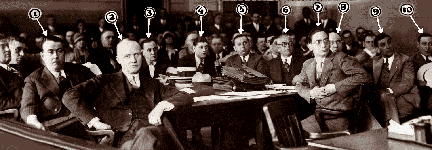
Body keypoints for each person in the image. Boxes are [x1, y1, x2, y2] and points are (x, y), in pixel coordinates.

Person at [62, 39, 192, 149]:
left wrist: (161, 106)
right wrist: (95, 123)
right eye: (127, 56)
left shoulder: (152, 83)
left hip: (154, 133)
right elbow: (69, 96)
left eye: (137, 55)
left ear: (142, 56)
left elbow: (185, 94)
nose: (133, 60)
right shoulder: (104, 81)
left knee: (147, 134)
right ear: (118, 60)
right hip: (123, 139)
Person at [292, 28, 371, 132]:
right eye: (318, 42)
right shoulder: (308, 64)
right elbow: (299, 83)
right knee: (289, 130)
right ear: (310, 46)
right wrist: (310, 93)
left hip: (339, 115)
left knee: (295, 132)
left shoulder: (340, 58)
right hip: (320, 116)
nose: (324, 45)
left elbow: (364, 76)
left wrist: (335, 87)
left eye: (326, 40)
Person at [20, 36, 95, 139]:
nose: (55, 56)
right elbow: (27, 106)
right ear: (42, 55)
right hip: (56, 130)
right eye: (50, 52)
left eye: (59, 51)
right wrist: (34, 122)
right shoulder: (33, 79)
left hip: (86, 124)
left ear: (64, 53)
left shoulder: (80, 71)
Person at [365, 33, 421, 126]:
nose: (388, 46)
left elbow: (407, 83)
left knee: (385, 97)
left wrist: (388, 91)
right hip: (382, 100)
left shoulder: (405, 59)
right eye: (383, 45)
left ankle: (393, 128)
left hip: (404, 97)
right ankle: (392, 129)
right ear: (378, 49)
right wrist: (369, 52)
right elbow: (355, 63)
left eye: (389, 42)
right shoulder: (375, 61)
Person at [410, 34, 432, 115]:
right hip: (424, 93)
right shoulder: (411, 61)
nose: (427, 47)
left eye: (430, 44)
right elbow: (411, 81)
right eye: (424, 44)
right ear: (418, 45)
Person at [0, 37, 22, 111]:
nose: (8, 49)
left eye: (8, 46)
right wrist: (28, 101)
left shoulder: (14, 68)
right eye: (2, 47)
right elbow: (1, 102)